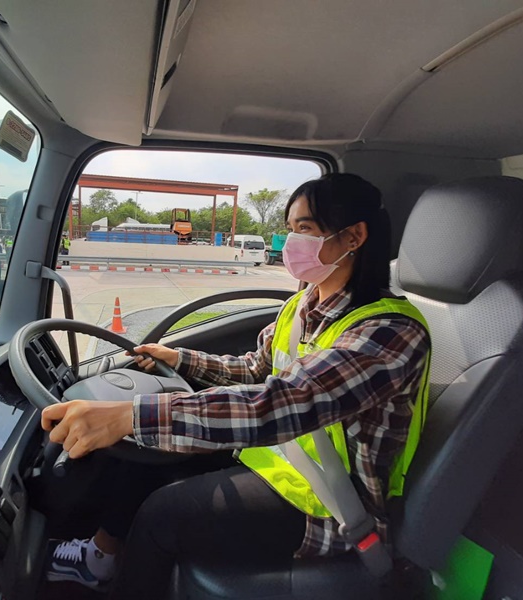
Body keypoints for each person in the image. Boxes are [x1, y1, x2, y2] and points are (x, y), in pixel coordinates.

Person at [41, 173, 431, 599]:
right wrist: (180, 359)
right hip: (275, 458)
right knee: (144, 460)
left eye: (304, 229)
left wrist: (130, 415)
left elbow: (285, 402)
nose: (291, 242)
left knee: (163, 513)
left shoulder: (390, 332)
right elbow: (255, 370)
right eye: (290, 228)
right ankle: (99, 561)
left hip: (331, 505)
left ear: (354, 236)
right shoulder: (303, 305)